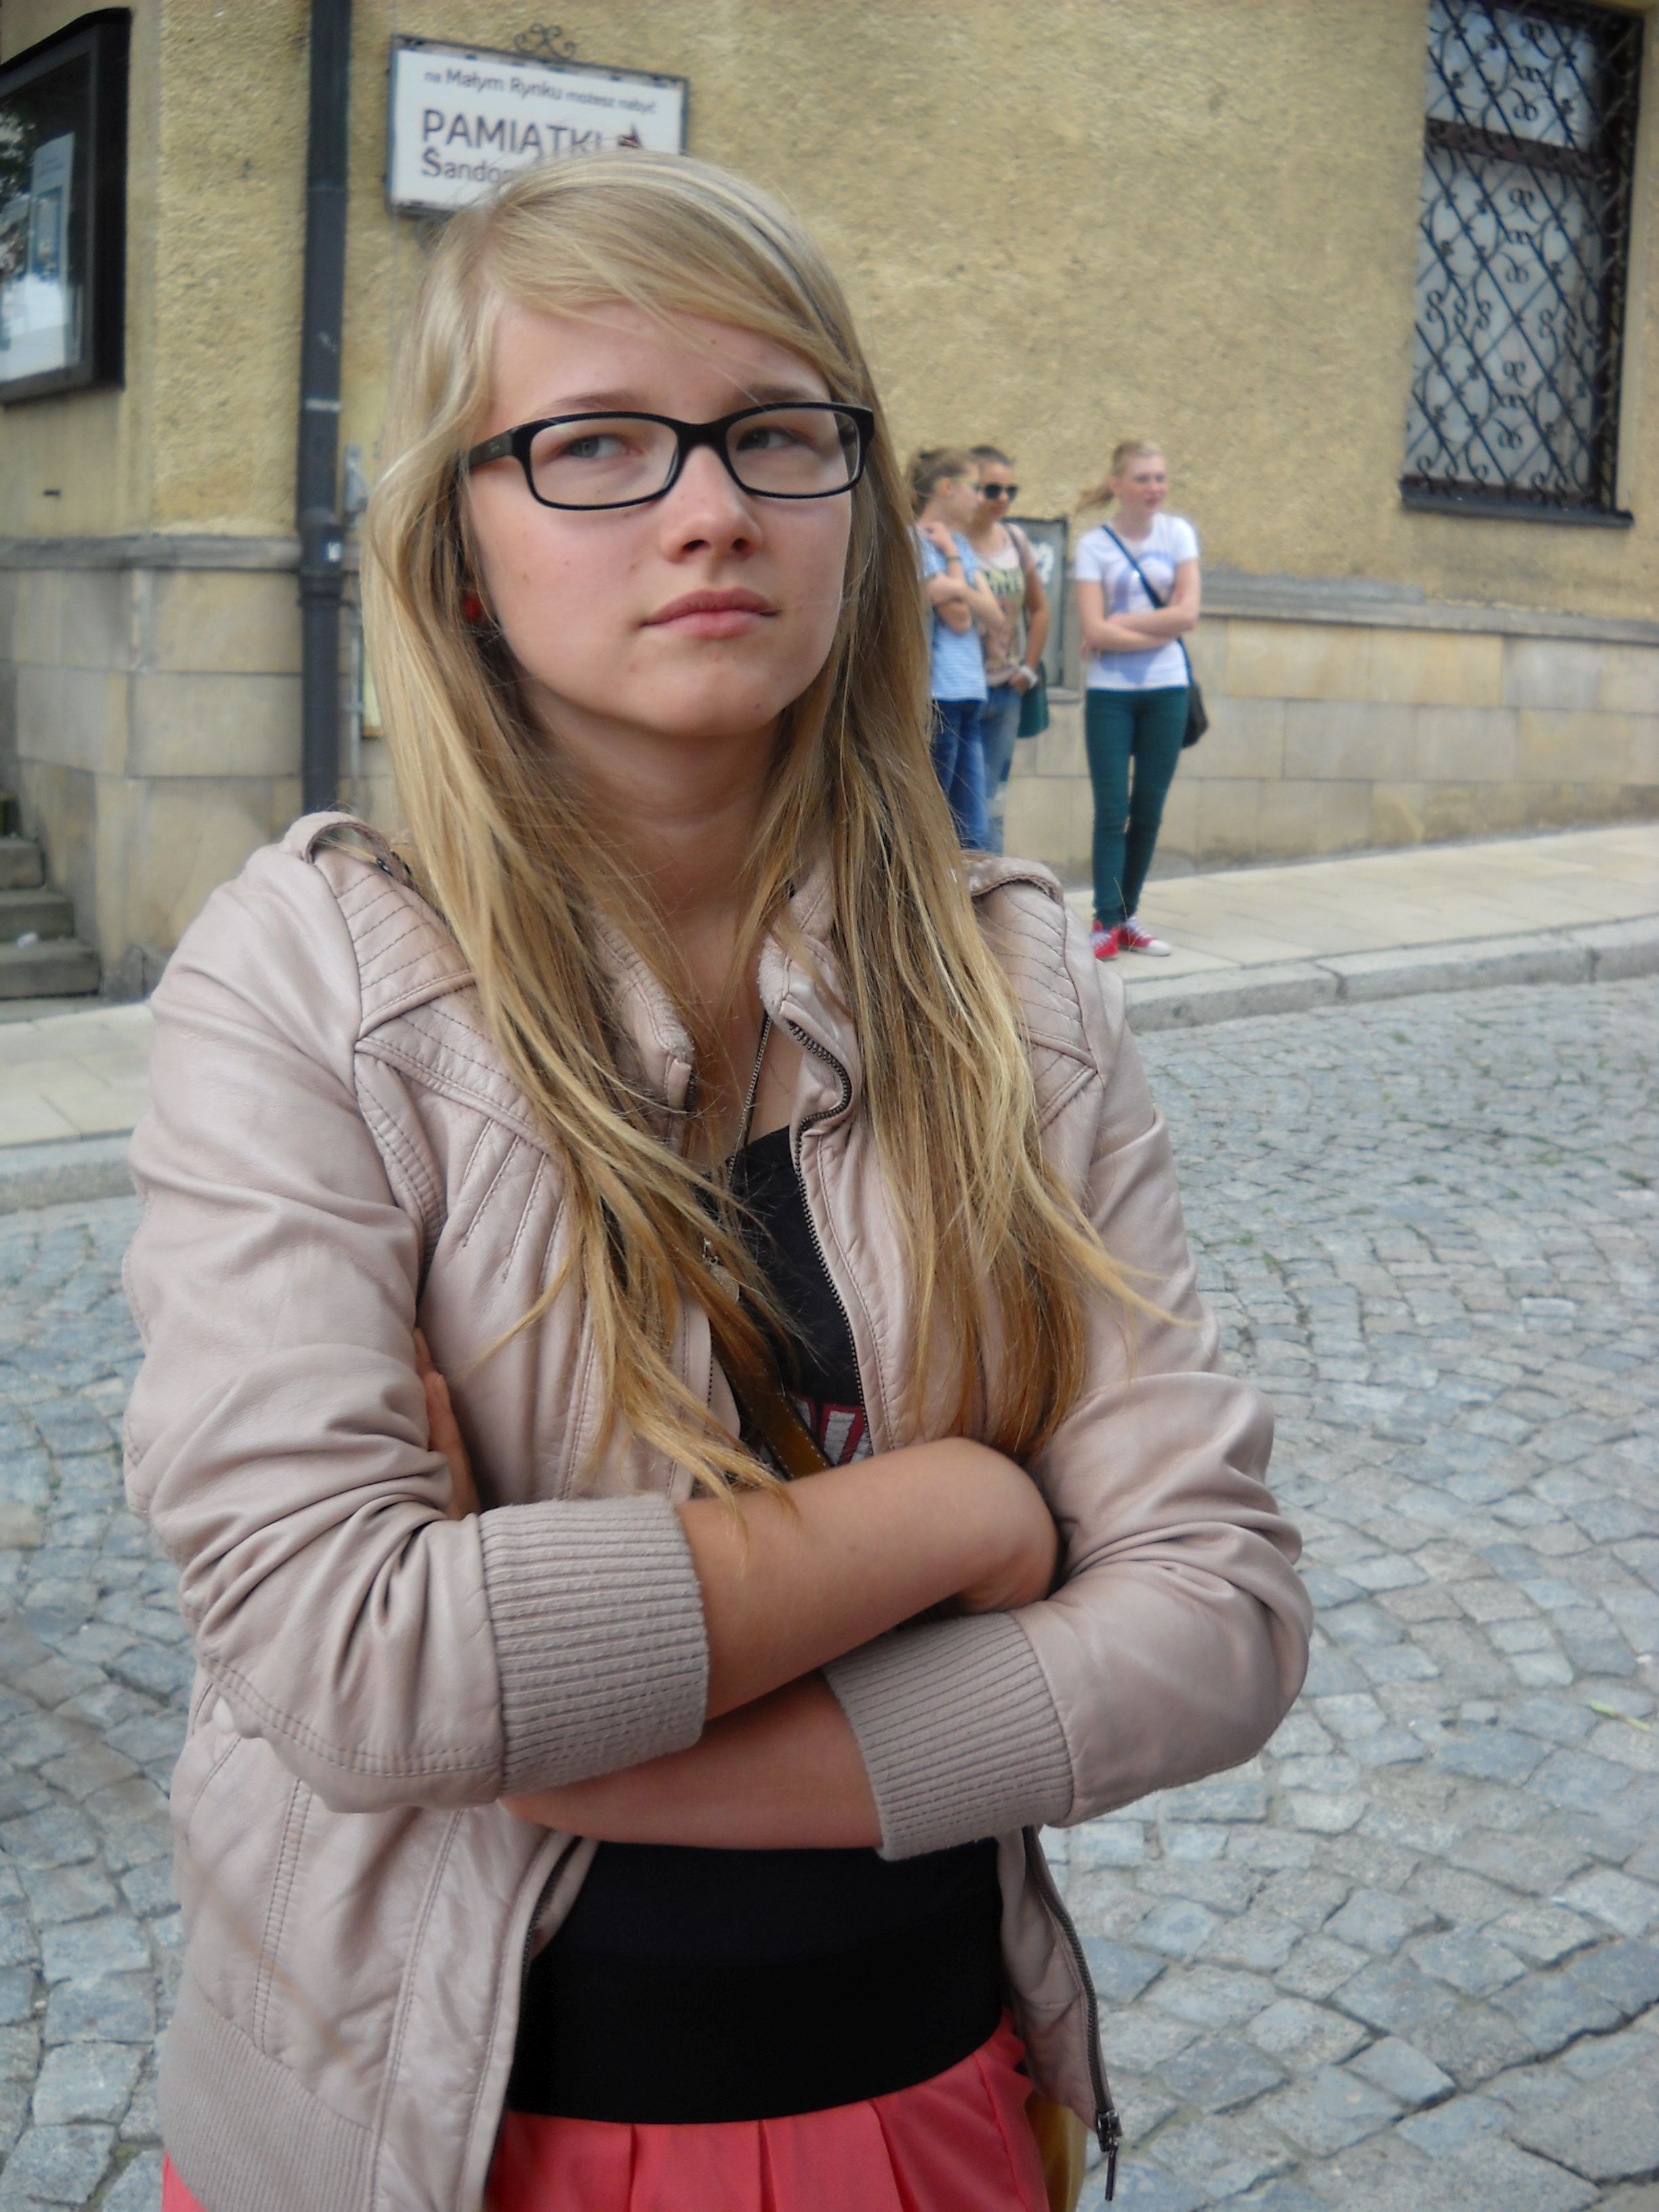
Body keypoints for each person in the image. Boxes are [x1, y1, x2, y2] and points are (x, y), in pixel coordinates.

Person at [127, 154, 1308, 2212]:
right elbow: (351, 1651)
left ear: (856, 502)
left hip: (928, 2103)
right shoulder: (311, 976)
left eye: (774, 431)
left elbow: (1216, 1614)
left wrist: (589, 1741)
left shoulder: (1015, 982)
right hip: (436, 2145)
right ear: (461, 546)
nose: (708, 509)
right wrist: (961, 1510)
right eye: (593, 441)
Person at [1073, 440, 1201, 960]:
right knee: (1112, 811)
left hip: (1168, 690)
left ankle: (1129, 916)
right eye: (1143, 478)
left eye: (1160, 478)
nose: (1154, 488)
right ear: (1118, 485)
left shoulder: (1178, 534)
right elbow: (1092, 628)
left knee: (1148, 810)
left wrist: (1122, 623)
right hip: (1111, 694)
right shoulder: (1094, 546)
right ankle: (1106, 919)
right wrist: (1157, 628)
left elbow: (1189, 615)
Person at [910, 445, 1005, 848]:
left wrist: (952, 561)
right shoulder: (913, 541)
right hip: (938, 697)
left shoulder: (960, 546)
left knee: (972, 830)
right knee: (937, 824)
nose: (981, 499)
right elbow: (961, 619)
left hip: (969, 694)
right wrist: (960, 579)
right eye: (975, 487)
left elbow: (996, 616)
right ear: (947, 487)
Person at [964, 445, 1050, 854]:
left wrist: (1028, 670)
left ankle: (993, 886)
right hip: (959, 693)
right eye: (992, 489)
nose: (1002, 499)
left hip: (1005, 691)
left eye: (1010, 490)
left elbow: (1039, 608)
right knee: (963, 804)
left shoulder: (1014, 539)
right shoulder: (950, 542)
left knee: (993, 802)